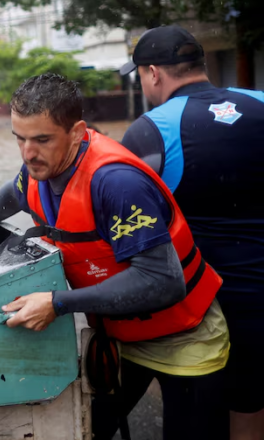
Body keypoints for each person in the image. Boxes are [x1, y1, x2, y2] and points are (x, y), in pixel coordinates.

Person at [0, 74, 229, 440]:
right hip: (120, 336)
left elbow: (164, 280)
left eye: (42, 139)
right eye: (20, 138)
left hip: (184, 337)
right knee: (84, 429)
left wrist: (59, 304)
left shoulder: (116, 183)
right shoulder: (39, 168)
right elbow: (12, 192)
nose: (28, 153)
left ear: (76, 132)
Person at [119, 25, 264, 439]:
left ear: (152, 73)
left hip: (202, 310)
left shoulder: (151, 129)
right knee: (250, 408)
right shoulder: (261, 103)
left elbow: (127, 225)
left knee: (200, 418)